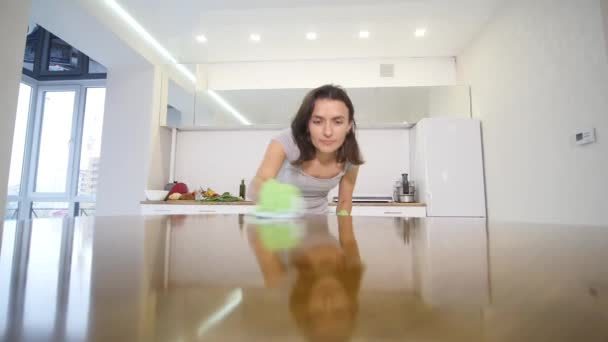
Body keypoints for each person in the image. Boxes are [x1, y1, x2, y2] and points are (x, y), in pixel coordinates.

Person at [249, 84, 364, 215]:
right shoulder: (286, 140)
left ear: (349, 125)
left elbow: (344, 201)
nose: (327, 132)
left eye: (337, 122)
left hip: (320, 223)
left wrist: (343, 226)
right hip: (280, 225)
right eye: (317, 121)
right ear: (307, 124)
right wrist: (268, 192)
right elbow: (258, 184)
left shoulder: (350, 154)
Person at [247, 215, 364, 341]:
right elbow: (346, 231)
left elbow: (255, 229)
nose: (328, 302)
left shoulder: (280, 280)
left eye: (318, 313)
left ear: (305, 310)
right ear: (350, 306)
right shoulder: (352, 267)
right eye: (339, 312)